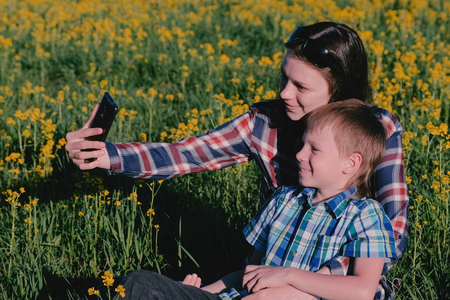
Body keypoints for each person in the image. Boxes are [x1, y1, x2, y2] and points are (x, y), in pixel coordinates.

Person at [65, 22, 408, 299]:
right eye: (283, 79)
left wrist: (301, 283)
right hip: (259, 277)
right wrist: (108, 155)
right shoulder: (265, 123)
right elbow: (187, 154)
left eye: (301, 87)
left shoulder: (378, 129)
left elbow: (393, 231)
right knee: (136, 284)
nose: (285, 93)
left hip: (336, 288)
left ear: (339, 93)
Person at [109, 99, 397, 300]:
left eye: (314, 150)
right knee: (138, 283)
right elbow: (248, 274)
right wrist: (199, 293)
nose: (299, 155)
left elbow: (362, 291)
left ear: (350, 163)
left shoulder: (366, 215)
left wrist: (288, 276)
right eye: (302, 145)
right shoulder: (284, 200)